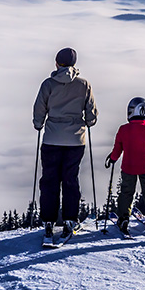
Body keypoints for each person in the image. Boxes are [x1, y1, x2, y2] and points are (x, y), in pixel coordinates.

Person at [33, 47, 98, 243]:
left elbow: (39, 109)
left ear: (57, 63)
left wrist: (39, 125)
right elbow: (92, 114)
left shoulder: (48, 84)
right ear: (74, 64)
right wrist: (87, 123)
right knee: (70, 179)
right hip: (75, 140)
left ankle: (48, 221)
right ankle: (70, 219)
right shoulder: (84, 84)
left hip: (52, 138)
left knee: (49, 180)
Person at [105, 97, 145, 235]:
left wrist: (112, 159)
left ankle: (123, 218)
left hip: (128, 166)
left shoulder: (124, 129)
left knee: (126, 192)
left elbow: (118, 148)